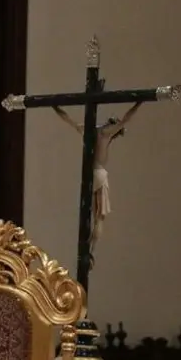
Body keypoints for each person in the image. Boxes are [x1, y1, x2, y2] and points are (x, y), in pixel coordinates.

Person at [52, 101, 142, 265]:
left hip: (88, 174)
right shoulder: (106, 134)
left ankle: (86, 250)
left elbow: (67, 119)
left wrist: (55, 107)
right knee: (99, 217)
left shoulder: (87, 129)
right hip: (99, 174)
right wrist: (139, 103)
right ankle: (91, 251)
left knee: (91, 213)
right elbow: (126, 118)